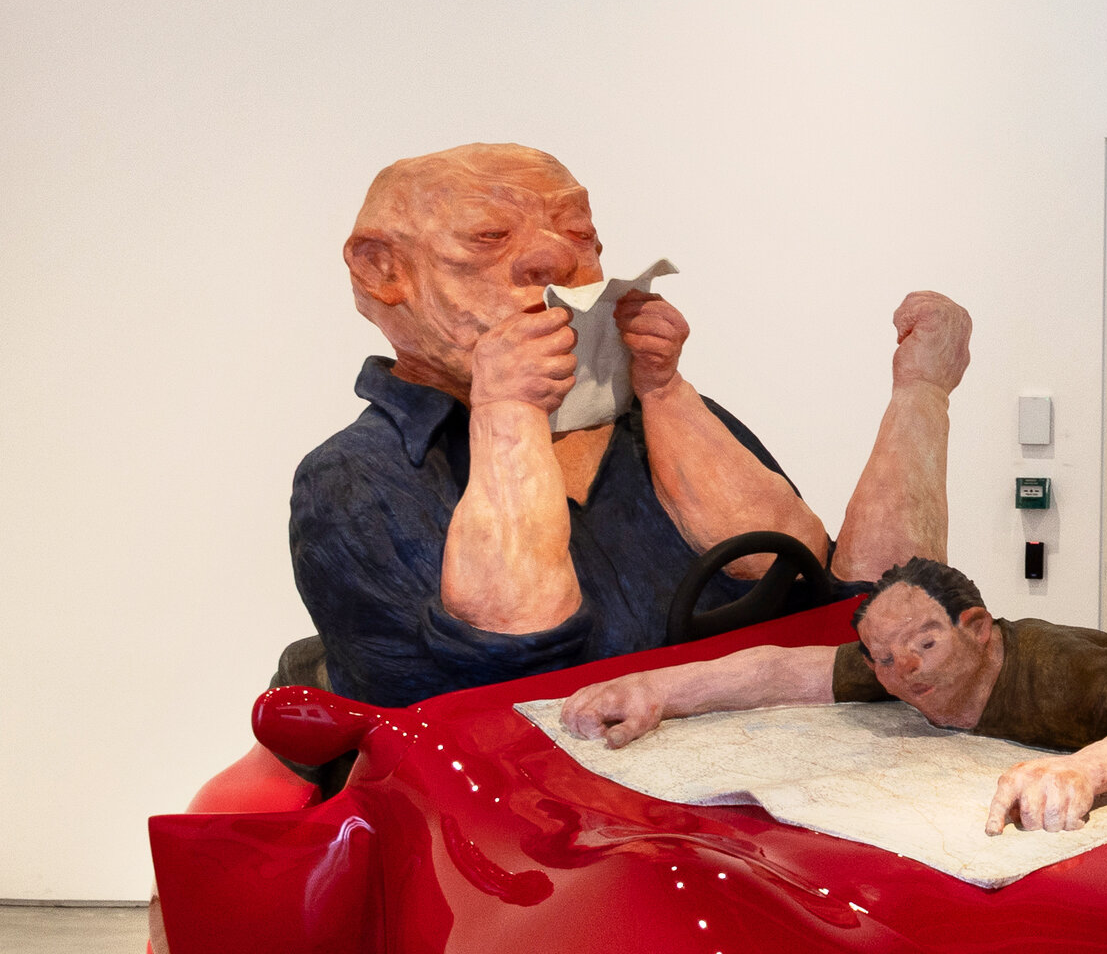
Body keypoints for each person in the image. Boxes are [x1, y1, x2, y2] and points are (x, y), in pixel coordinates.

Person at [290, 143, 970, 707]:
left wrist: (920, 393)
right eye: (489, 237)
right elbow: (503, 679)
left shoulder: (658, 420)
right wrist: (506, 412)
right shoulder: (352, 478)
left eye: (578, 234)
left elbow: (853, 603)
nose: (556, 260)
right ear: (382, 269)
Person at [561, 556, 1107, 835]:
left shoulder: (1054, 663)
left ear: (979, 630)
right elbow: (780, 672)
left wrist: (1083, 770)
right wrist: (653, 687)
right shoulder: (896, 669)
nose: (903, 670)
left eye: (927, 645)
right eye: (883, 657)